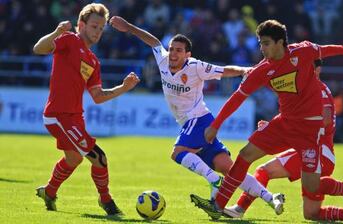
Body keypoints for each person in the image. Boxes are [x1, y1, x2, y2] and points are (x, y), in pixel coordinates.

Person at [190, 19, 343, 221]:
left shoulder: (303, 51)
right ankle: (218, 204)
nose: (262, 48)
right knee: (245, 154)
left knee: (312, 186)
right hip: (283, 125)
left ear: (280, 42)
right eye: (260, 43)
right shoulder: (262, 70)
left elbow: (326, 50)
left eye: (266, 43)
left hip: (309, 131)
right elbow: (237, 98)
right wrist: (215, 125)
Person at [109, 16, 285, 213]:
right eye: (172, 49)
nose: (174, 54)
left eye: (179, 50)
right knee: (228, 167)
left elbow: (224, 70)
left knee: (178, 153)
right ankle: (272, 198)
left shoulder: (195, 67)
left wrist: (244, 70)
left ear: (187, 54)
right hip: (191, 123)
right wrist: (129, 27)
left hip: (199, 119)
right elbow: (154, 42)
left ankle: (214, 181)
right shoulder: (163, 59)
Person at [224, 60, 343, 223]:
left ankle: (239, 209)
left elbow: (325, 119)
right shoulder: (302, 90)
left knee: (264, 171)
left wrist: (292, 132)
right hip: (314, 152)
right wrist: (273, 128)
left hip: (317, 152)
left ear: (318, 70)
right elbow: (291, 120)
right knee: (311, 214)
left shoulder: (319, 90)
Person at [33, 3, 139, 216]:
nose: (98, 32)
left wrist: (124, 87)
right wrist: (57, 31)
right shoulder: (70, 40)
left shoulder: (93, 61)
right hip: (58, 116)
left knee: (74, 159)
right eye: (94, 26)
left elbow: (98, 97)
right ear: (81, 25)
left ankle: (49, 191)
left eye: (101, 28)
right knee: (99, 157)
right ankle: (106, 201)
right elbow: (39, 49)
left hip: (75, 117)